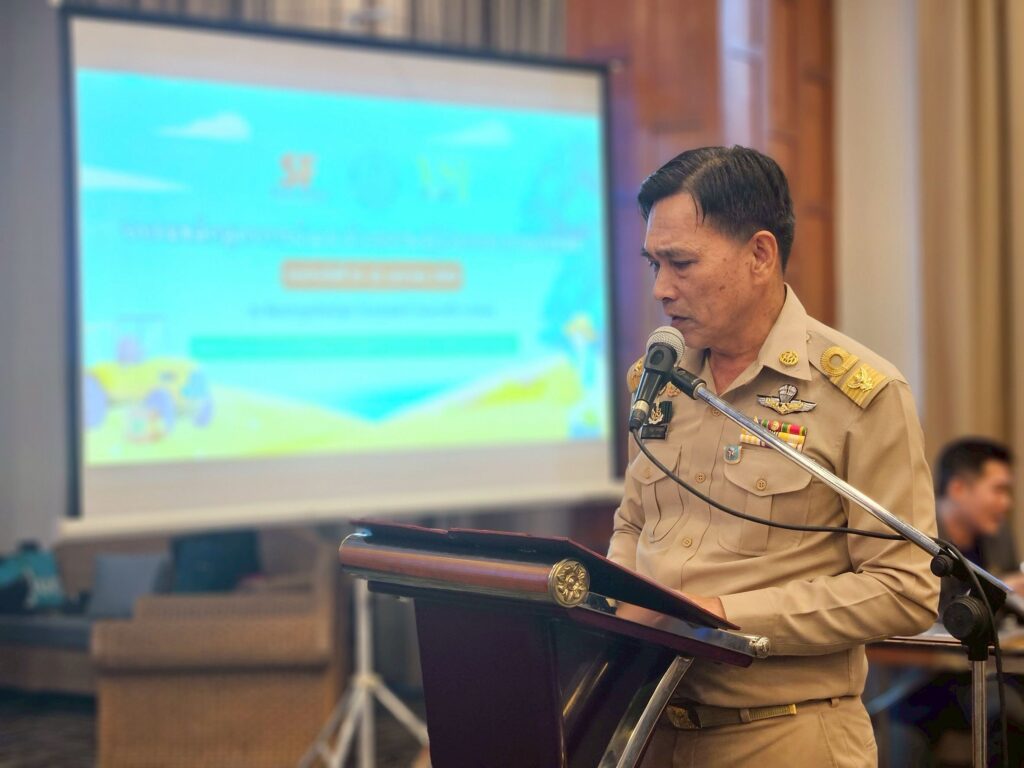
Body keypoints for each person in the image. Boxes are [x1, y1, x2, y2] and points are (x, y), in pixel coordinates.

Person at [607, 146, 940, 767]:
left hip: (785, 735)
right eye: (654, 263)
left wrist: (722, 617)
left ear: (760, 254)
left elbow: (906, 588)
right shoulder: (658, 380)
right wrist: (613, 614)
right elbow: (634, 525)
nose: (661, 289)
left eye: (681, 263)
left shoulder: (858, 394)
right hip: (649, 728)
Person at [887, 438, 1023, 767]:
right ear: (959, 488)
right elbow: (918, 611)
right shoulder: (916, 537)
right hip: (921, 677)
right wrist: (998, 589)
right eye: (998, 490)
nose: (1006, 503)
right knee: (1004, 708)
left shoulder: (998, 535)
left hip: (987, 668)